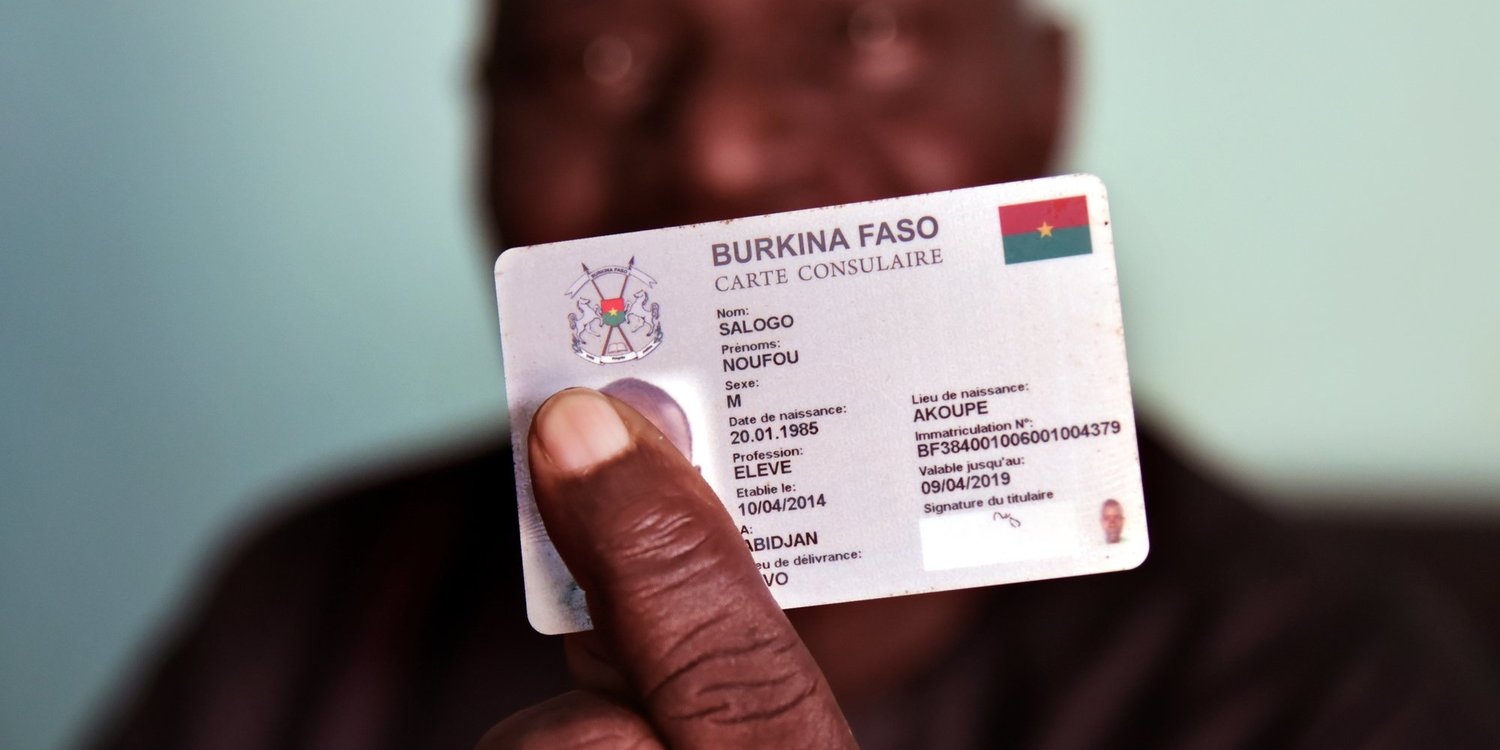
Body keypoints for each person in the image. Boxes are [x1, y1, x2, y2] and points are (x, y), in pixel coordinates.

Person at [87, 1, 1500, 748]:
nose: (722, 152)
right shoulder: (304, 613)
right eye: (593, 52)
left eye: (864, 28)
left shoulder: (1331, 692)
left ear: (1043, 98)